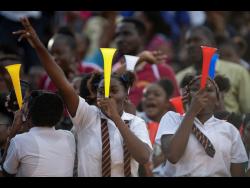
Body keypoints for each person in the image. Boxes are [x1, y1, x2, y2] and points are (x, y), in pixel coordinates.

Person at [14, 17, 152, 177]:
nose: (106, 94)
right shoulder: (87, 115)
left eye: (113, 90)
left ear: (126, 96)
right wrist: (38, 44)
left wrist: (116, 118)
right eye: (101, 91)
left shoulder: (136, 123)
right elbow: (62, 83)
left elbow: (143, 157)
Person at [155, 75, 248, 176]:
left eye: (209, 90)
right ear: (187, 96)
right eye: (196, 89)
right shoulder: (172, 119)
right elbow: (173, 155)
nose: (202, 94)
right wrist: (191, 111)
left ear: (217, 100)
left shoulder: (230, 131)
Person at [0, 90, 76, 177]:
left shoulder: (19, 141)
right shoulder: (69, 137)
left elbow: (5, 173)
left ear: (28, 115)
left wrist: (13, 131)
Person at [176, 25, 250, 114]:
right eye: (188, 42)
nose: (191, 45)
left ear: (212, 44)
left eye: (196, 40)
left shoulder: (238, 72)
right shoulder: (179, 78)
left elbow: (248, 111)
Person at [114, 18, 180, 108]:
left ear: (142, 37)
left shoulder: (162, 70)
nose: (120, 39)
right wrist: (141, 58)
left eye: (127, 34)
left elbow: (175, 106)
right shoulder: (113, 70)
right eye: (117, 35)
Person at [138, 79, 174, 176]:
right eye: (146, 95)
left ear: (167, 102)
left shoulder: (175, 124)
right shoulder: (135, 120)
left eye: (157, 95)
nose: (150, 97)